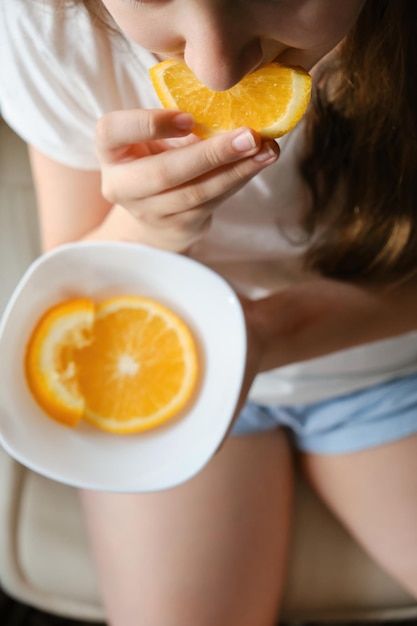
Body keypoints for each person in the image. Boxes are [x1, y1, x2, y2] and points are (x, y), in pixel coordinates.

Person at [1, 1, 417, 624]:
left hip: (382, 363)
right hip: (171, 374)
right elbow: (79, 286)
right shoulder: (48, 23)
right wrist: (147, 226)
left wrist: (270, 334)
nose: (216, 69)